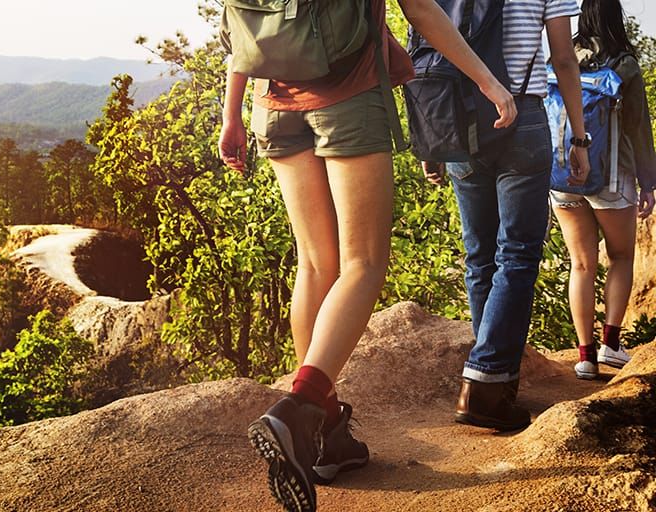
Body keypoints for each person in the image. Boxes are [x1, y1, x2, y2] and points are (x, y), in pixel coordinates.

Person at [219, 0, 517, 510]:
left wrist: (232, 114)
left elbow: (242, 26)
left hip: (269, 102)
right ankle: (299, 410)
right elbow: (422, 10)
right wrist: (489, 82)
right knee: (363, 263)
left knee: (313, 264)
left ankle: (327, 435)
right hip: (348, 99)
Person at [424, 0, 587, 432]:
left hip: (458, 114)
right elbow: (564, 59)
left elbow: (429, 37)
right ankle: (485, 380)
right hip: (522, 115)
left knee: (480, 256)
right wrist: (579, 136)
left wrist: (433, 139)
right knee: (516, 253)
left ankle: (496, 379)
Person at [549, 0, 656, 380]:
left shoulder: (560, 58)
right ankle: (611, 342)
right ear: (616, 17)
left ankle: (584, 356)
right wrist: (649, 181)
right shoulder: (624, 64)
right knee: (621, 256)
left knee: (580, 263)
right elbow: (638, 128)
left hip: (563, 176)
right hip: (612, 176)